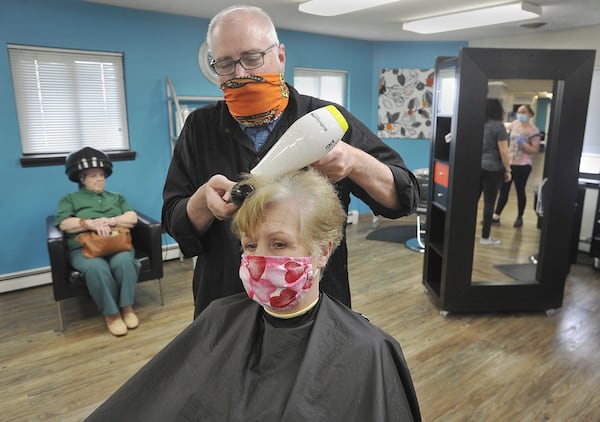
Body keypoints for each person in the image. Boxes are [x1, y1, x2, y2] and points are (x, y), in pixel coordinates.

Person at [87, 169, 422, 421]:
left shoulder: (369, 350)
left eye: (278, 244)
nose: (260, 260)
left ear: (323, 252)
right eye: (250, 245)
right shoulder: (219, 318)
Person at [162, 5, 419, 318]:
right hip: (225, 303)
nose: (240, 73)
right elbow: (174, 220)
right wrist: (202, 201)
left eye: (252, 58)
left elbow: (404, 197)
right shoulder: (199, 128)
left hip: (314, 308)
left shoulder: (327, 121)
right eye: (226, 64)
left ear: (280, 56)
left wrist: (354, 161)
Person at [55, 147, 140, 337]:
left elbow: (132, 217)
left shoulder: (116, 197)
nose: (99, 179)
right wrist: (89, 223)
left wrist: (112, 221)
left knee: (125, 262)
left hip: (116, 243)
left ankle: (127, 307)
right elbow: (64, 224)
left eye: (101, 175)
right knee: (96, 268)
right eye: (93, 175)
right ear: (81, 178)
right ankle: (112, 314)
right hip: (85, 248)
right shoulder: (70, 199)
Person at [493, 104, 541, 228]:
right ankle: (496, 216)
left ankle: (519, 217)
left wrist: (523, 143)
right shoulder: (515, 124)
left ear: (530, 114)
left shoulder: (533, 130)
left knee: (520, 190)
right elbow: (503, 125)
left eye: (524, 112)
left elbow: (535, 150)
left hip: (523, 165)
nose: (520, 114)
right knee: (504, 190)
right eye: (519, 112)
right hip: (509, 163)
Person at [479, 99, 511, 245]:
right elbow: (504, 151)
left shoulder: (479, 124)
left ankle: (462, 233)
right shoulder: (499, 127)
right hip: (493, 169)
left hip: (476, 167)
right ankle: (485, 237)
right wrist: (508, 170)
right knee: (489, 203)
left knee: (470, 203)